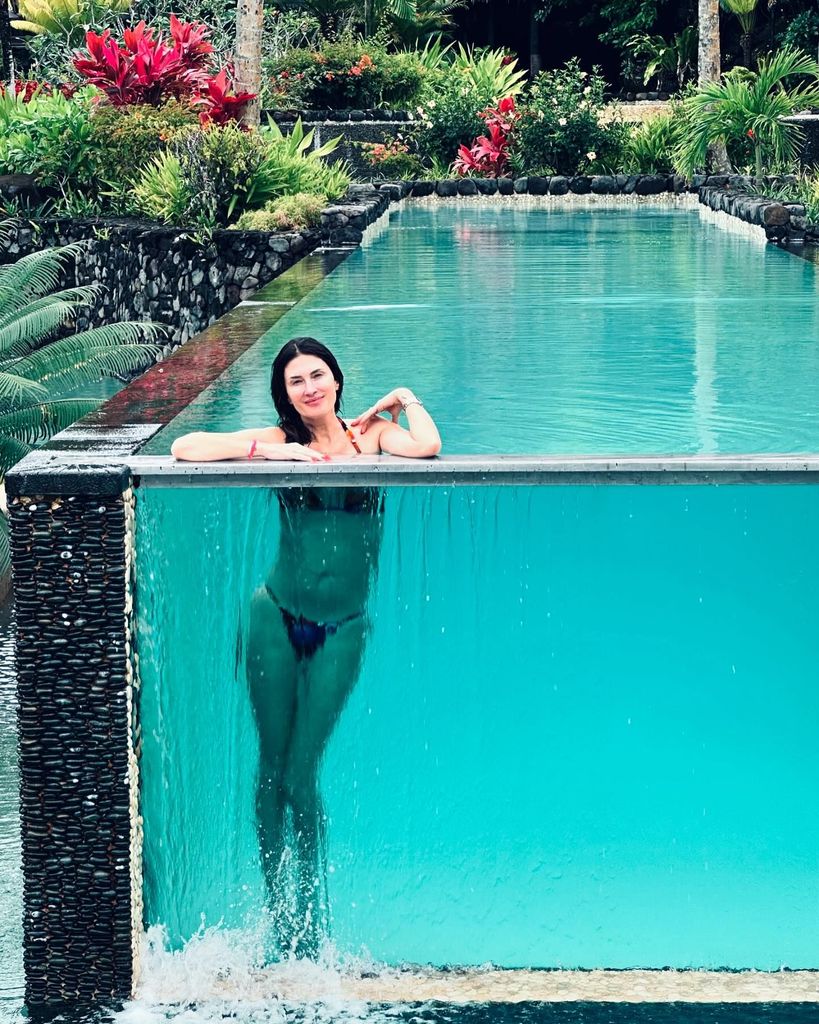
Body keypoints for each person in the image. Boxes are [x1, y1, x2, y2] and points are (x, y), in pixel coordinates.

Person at [171, 337, 441, 956]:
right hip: (275, 614)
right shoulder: (278, 440)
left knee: (302, 769)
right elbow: (185, 449)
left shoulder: (369, 440)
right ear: (285, 394)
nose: (310, 387)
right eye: (297, 381)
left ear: (338, 381)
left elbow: (426, 446)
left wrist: (402, 398)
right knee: (271, 766)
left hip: (342, 625)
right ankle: (276, 909)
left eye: (318, 375)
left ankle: (312, 912)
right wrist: (273, 452)